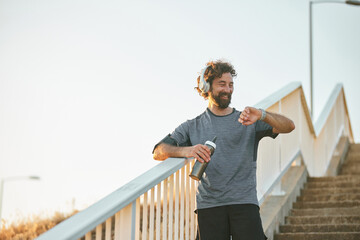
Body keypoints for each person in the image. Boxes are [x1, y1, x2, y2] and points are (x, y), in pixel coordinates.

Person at [152, 60, 295, 240]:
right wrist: (187, 151)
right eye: (222, 84)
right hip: (209, 206)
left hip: (244, 203)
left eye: (230, 85)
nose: (228, 90)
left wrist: (262, 115)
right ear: (207, 87)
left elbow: (289, 126)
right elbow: (158, 151)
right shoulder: (192, 126)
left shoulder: (248, 119)